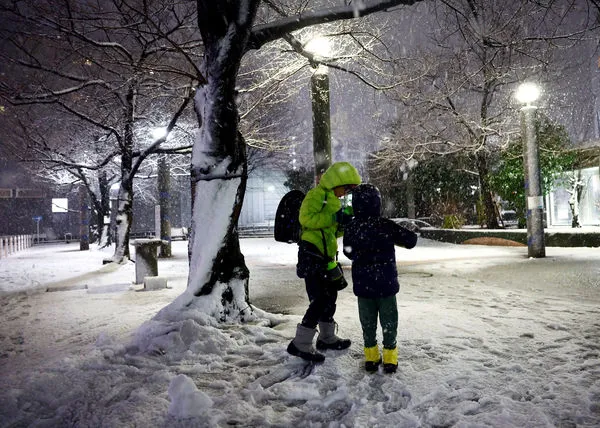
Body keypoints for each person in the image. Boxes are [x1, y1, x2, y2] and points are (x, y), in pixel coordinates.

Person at [287, 161, 362, 362]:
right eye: (345, 188)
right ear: (337, 182)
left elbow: (330, 230)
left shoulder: (335, 201)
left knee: (330, 297)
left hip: (327, 257)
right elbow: (307, 220)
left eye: (350, 190)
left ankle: (327, 338)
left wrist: (344, 224)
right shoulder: (316, 195)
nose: (346, 193)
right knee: (319, 299)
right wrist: (334, 218)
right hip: (311, 253)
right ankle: (300, 343)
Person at [342, 184, 418, 373]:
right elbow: (411, 241)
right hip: (386, 285)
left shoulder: (352, 227)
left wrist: (362, 251)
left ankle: (371, 357)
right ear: (377, 203)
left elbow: (348, 252)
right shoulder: (385, 225)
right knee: (389, 323)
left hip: (364, 286)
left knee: (367, 324)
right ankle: (390, 358)